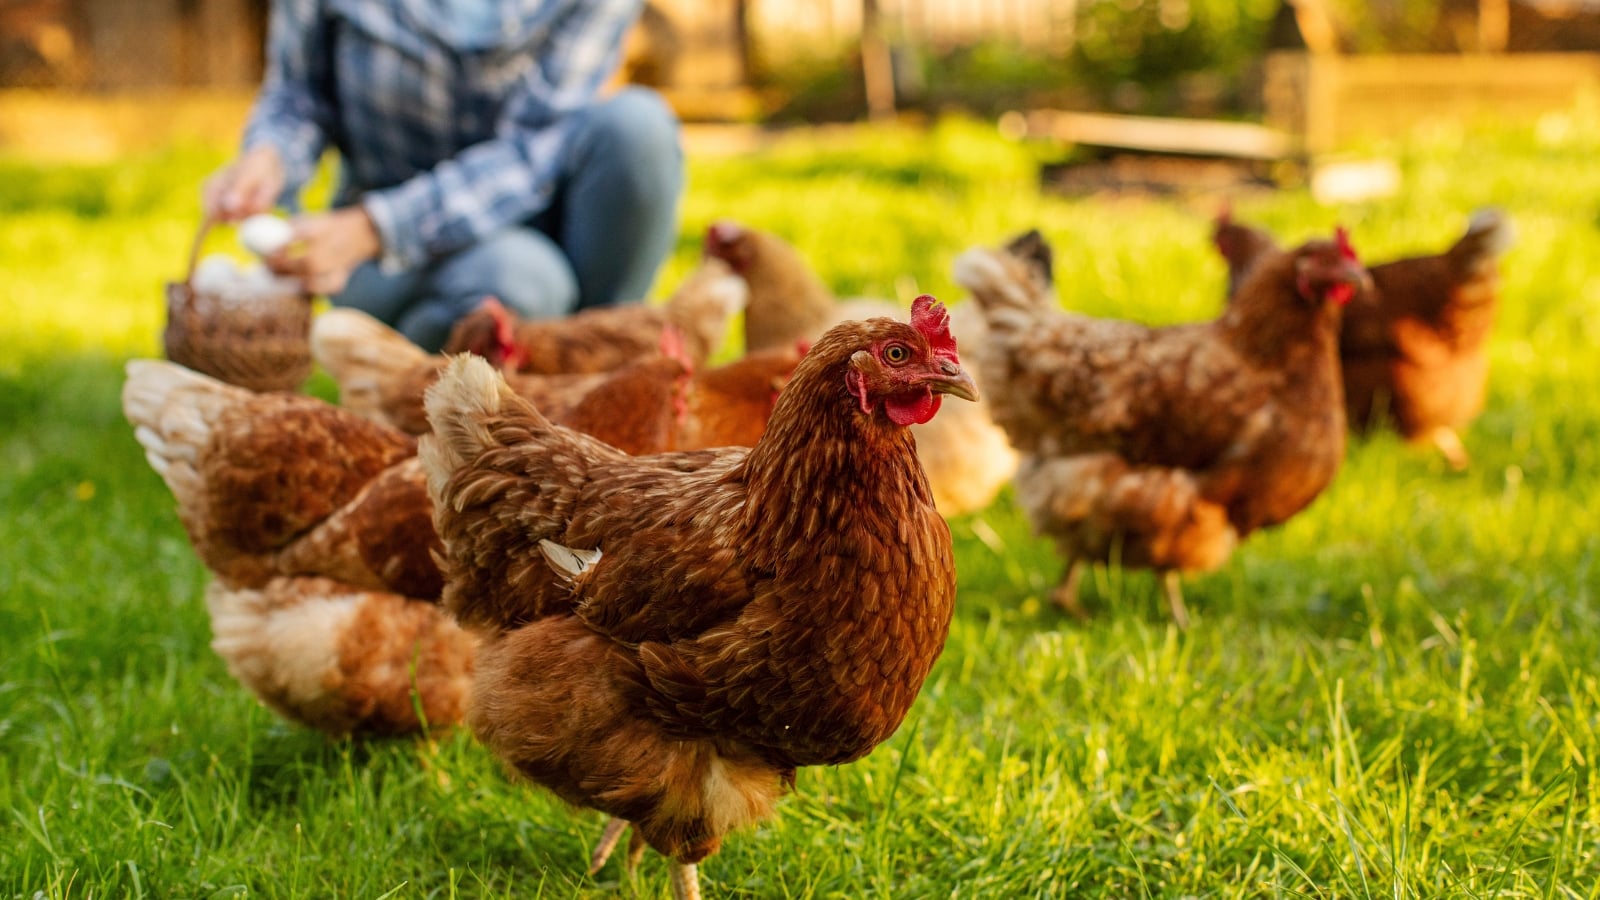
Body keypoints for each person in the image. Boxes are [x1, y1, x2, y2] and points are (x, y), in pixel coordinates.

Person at [201, 0, 684, 352]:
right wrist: (270, 158)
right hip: (382, 251)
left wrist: (381, 224)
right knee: (523, 281)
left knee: (639, 127)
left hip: (537, 210)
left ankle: (600, 371)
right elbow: (298, 94)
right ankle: (413, 386)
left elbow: (533, 144)